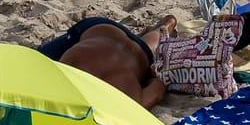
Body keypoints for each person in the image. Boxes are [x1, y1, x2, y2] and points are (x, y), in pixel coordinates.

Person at [37, 17, 173, 109]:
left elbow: (158, 87)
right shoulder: (125, 100)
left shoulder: (127, 101)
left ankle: (165, 26)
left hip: (140, 52)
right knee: (38, 57)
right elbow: (158, 89)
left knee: (146, 48)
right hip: (100, 30)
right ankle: (164, 26)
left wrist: (150, 76)